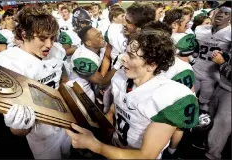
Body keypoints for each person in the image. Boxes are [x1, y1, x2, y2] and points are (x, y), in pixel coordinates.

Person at [66, 28, 199, 159]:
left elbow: (146, 155)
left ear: (151, 64)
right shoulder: (120, 77)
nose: (123, 58)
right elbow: (113, 111)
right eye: (126, 52)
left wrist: (97, 146)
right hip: (114, 146)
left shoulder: (168, 97)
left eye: (131, 55)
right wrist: (97, 132)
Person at [0, 6, 70, 159]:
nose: (49, 44)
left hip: (64, 122)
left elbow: (63, 81)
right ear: (24, 34)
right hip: (41, 132)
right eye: (42, 38)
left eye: (52, 38)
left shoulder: (57, 51)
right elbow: (19, 131)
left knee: (67, 154)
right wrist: (18, 124)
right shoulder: (9, 64)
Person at [67, 25, 123, 102]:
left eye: (100, 33)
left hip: (93, 82)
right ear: (88, 42)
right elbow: (102, 82)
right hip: (80, 87)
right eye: (98, 36)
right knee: (87, 109)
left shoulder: (99, 45)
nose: (102, 37)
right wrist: (118, 64)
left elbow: (106, 57)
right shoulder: (81, 59)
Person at [192, 6, 231, 112]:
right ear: (214, 13)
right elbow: (195, 52)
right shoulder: (200, 29)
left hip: (212, 75)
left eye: (226, 13)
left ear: (230, 18)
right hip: (196, 69)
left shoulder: (230, 33)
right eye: (220, 11)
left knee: (204, 104)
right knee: (189, 98)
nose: (221, 14)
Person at [205, 49, 231, 159]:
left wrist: (222, 63)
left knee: (220, 127)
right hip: (223, 84)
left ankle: (212, 156)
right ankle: (208, 146)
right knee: (211, 119)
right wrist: (224, 56)